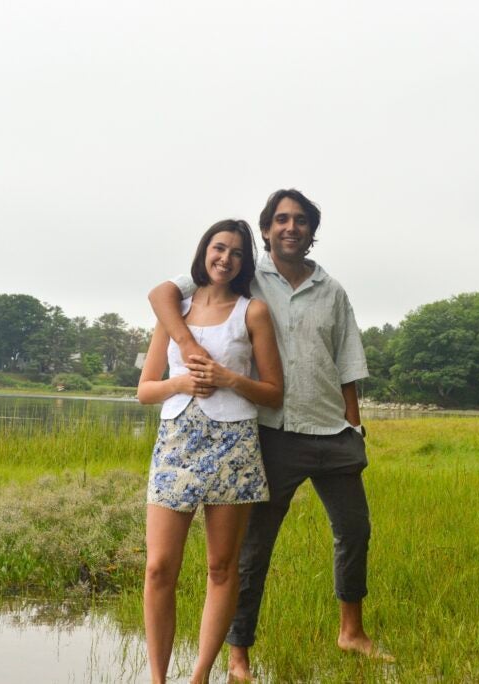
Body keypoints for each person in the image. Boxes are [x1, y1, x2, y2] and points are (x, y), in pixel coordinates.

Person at [149, 189, 384, 681]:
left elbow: (347, 365)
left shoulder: (332, 290)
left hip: (331, 428)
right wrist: (188, 347)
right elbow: (164, 294)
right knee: (252, 550)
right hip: (273, 432)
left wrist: (355, 425)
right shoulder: (244, 274)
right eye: (281, 219)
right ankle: (238, 656)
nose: (290, 227)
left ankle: (352, 632)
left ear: (311, 232)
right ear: (267, 230)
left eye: (300, 220)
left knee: (354, 532)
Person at [137, 218, 283, 684]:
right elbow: (144, 389)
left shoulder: (252, 312)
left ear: (245, 263)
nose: (226, 258)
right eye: (219, 248)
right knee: (159, 567)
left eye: (237, 253)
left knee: (221, 567)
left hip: (233, 446)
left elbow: (273, 392)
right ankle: (158, 679)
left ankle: (199, 675)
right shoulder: (174, 310)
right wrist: (180, 382)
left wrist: (228, 379)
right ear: (204, 252)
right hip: (176, 444)